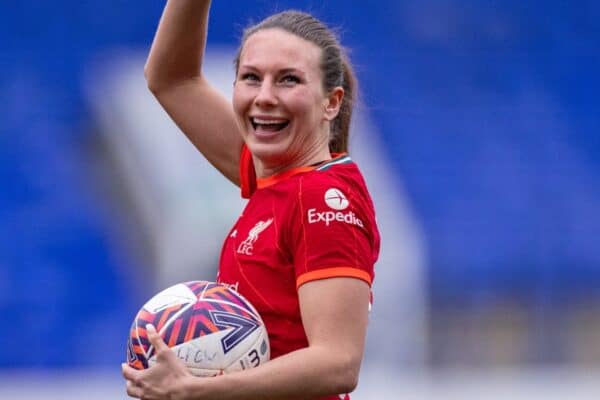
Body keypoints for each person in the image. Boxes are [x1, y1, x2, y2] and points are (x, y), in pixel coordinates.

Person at [122, 1, 380, 399]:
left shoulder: (324, 200)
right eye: (251, 78)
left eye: (288, 80)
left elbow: (338, 361)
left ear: (331, 102)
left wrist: (201, 389)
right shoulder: (274, 177)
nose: (264, 96)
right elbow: (171, 79)